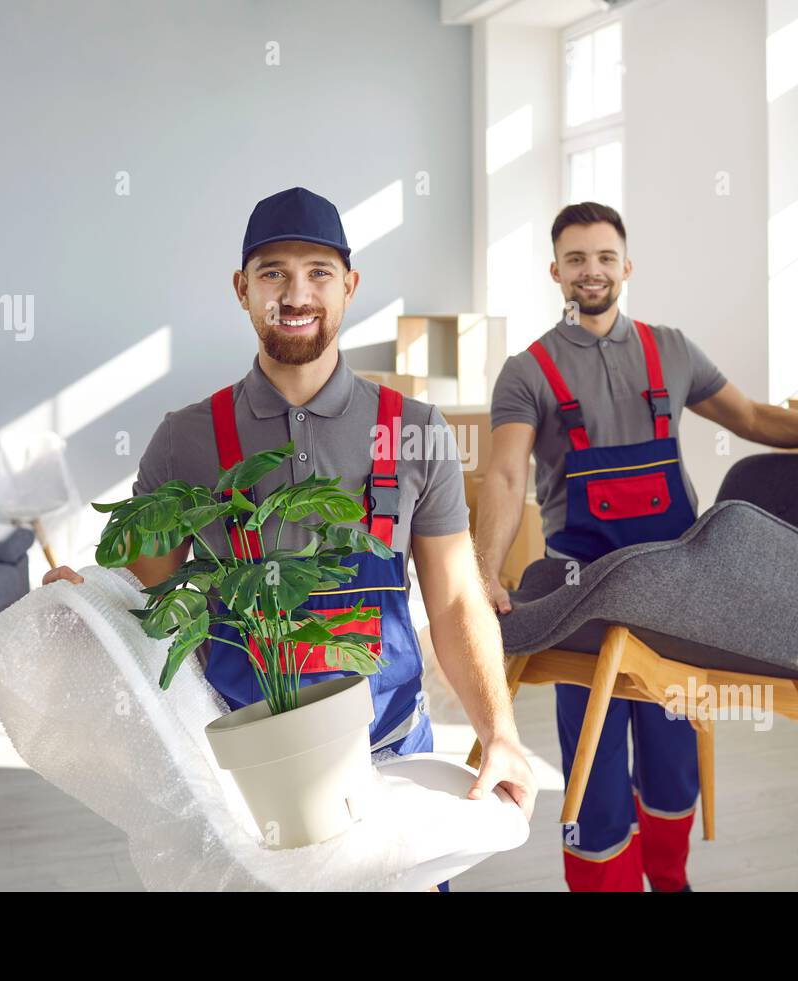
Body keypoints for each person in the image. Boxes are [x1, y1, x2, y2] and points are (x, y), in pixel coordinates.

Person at [45, 187, 536, 890]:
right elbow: (142, 587)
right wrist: (87, 599)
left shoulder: (414, 429)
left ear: (350, 286)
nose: (296, 292)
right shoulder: (186, 439)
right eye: (273, 272)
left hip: (392, 771)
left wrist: (501, 733)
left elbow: (457, 600)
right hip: (249, 795)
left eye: (318, 271)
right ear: (243, 290)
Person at [475, 201, 798, 892]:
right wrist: (485, 572)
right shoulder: (527, 371)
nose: (591, 271)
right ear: (555, 271)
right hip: (585, 597)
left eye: (605, 257)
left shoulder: (672, 350)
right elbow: (508, 473)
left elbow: (753, 418)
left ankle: (670, 878)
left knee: (673, 758)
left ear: (626, 266)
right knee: (594, 771)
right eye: (576, 259)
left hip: (677, 592)